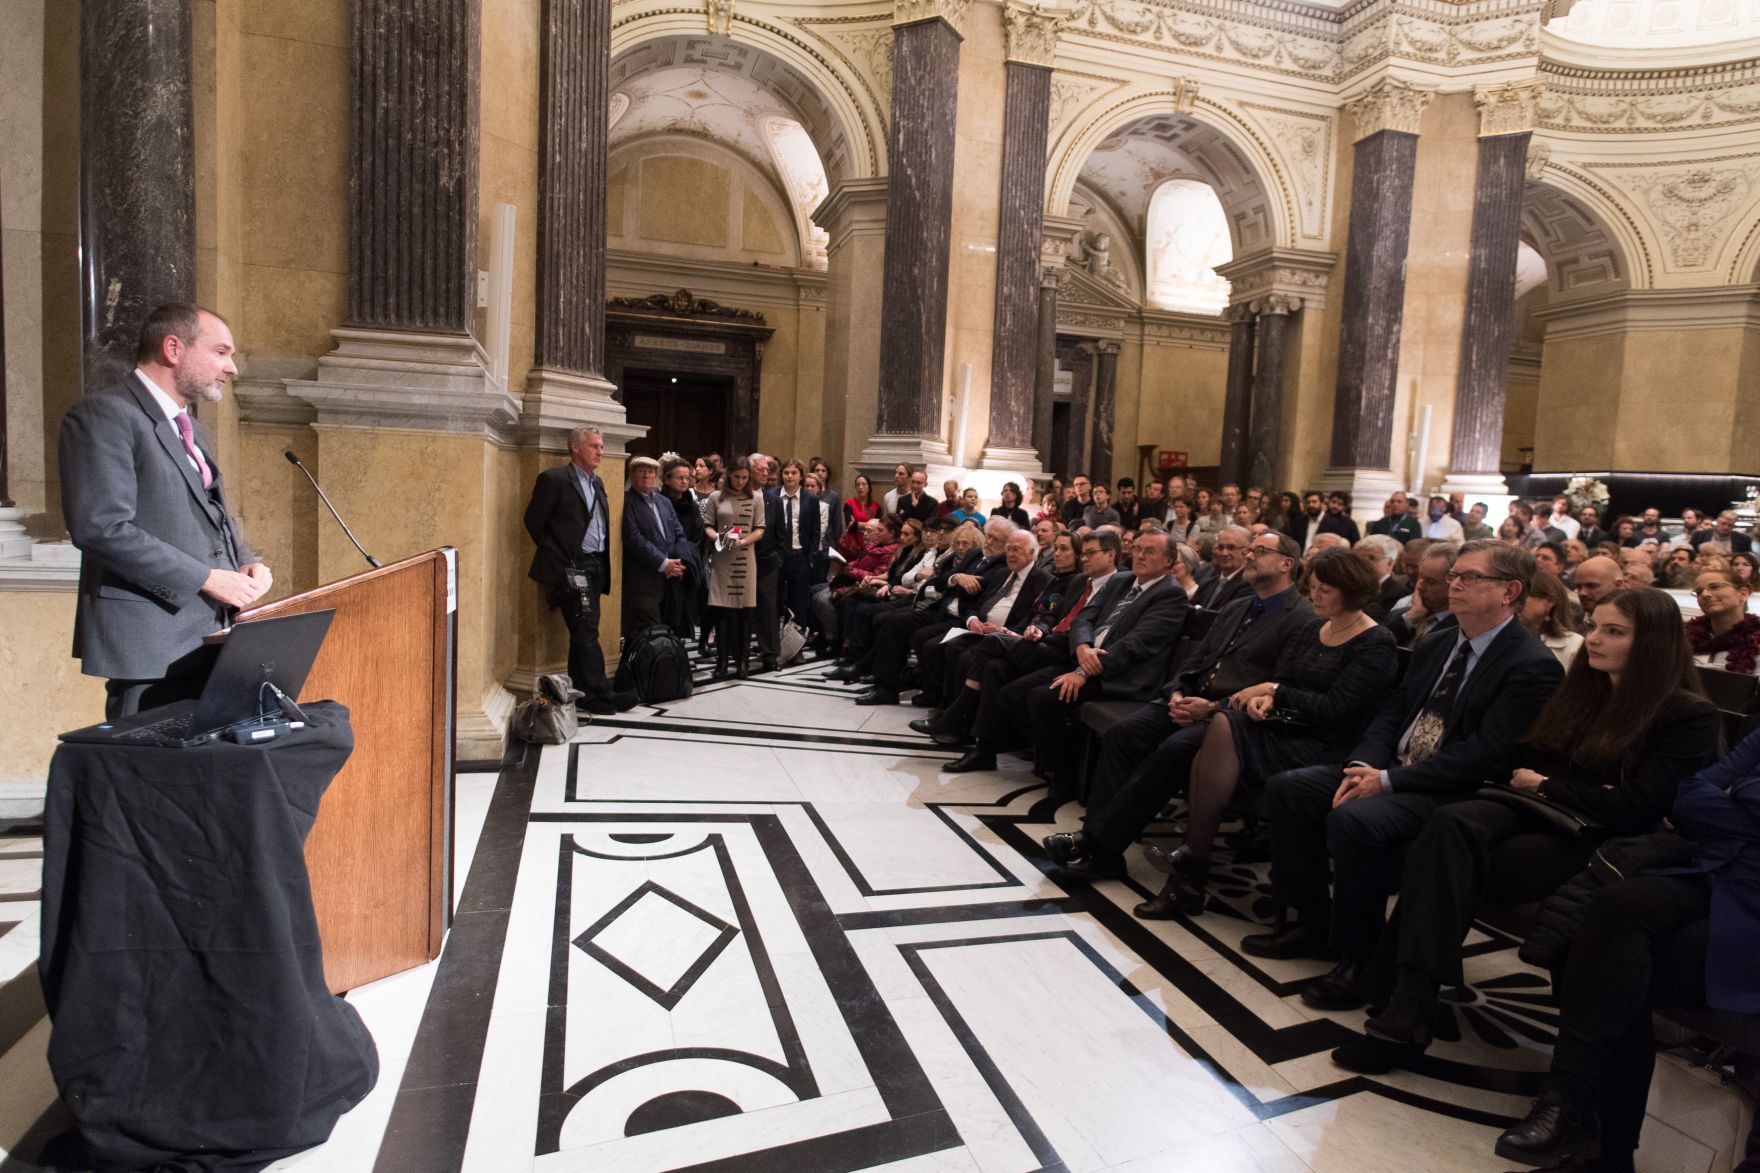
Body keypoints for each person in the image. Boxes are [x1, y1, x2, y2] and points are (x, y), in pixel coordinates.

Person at [1333, 587, 1719, 1076]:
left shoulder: (1687, 715)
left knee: (1452, 861)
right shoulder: (1586, 690)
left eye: (1614, 631)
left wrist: (1553, 784)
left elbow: (1636, 807)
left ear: (1653, 643)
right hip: (1537, 808)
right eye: (1594, 626)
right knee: (1449, 823)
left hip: (1597, 838)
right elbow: (1530, 760)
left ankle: (1404, 1008)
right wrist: (1572, 785)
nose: (1594, 639)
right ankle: (1410, 1004)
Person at [1245, 540, 1564, 1013]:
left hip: (1454, 788)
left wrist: (1386, 782)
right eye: (1454, 575)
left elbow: (1487, 754)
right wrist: (1363, 765)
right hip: (1392, 766)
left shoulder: (1531, 664)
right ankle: (1313, 923)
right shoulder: (1438, 640)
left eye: (1471, 577)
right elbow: (1393, 712)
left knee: (1355, 819)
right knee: (1290, 788)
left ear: (1510, 591)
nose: (1455, 584)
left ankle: (1362, 958)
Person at [1494, 727, 1760, 1173]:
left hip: (1750, 912)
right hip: (1712, 870)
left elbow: (1706, 804)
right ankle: (1568, 1103)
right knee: (1616, 907)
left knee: (1617, 968)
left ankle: (1602, 1148)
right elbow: (1689, 796)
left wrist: (1732, 802)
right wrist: (1739, 811)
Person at [1136, 548, 1399, 917]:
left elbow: (1337, 708)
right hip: (1288, 727)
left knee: (1217, 735)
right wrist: (1266, 701)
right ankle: (1192, 865)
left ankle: (1191, 869)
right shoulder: (1312, 628)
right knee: (1225, 722)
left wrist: (1275, 693)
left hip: (1327, 744)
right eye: (1313, 587)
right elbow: (1285, 679)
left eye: (1324, 590)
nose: (1314, 596)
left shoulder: (1375, 641)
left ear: (1351, 592)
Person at [1043, 531, 1313, 876]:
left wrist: (1213, 708)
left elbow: (1276, 688)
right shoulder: (1237, 607)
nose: (1248, 556)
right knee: (1124, 734)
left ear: (1286, 564)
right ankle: (1098, 841)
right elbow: (1196, 660)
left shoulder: (1302, 617)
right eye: (1250, 549)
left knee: (1174, 749)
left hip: (1231, 719)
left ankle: (1098, 846)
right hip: (1187, 700)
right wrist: (1176, 692)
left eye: (1259, 551)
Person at [60, 303, 272, 718]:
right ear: (173, 348)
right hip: (152, 647)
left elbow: (210, 515)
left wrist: (245, 564)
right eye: (221, 352)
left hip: (212, 639)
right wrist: (206, 578)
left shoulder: (191, 428)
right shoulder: (105, 415)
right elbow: (100, 527)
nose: (231, 368)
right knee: (147, 759)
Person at [947, 530, 1186, 790]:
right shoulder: (1122, 580)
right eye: (1138, 548)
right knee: (1011, 694)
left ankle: (1065, 775)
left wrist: (1083, 671)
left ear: (1169, 561)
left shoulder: (1171, 595)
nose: (1139, 555)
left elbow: (1135, 645)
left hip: (1119, 675)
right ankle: (1061, 758)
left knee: (1041, 698)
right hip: (1083, 657)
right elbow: (1084, 618)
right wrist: (1082, 646)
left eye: (1150, 551)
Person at [524, 424, 635, 714]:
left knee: (584, 630)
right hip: (572, 567)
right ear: (576, 447)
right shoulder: (555, 479)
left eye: (601, 446)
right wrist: (559, 555)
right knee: (586, 631)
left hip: (596, 564)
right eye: (594, 446)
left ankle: (583, 693)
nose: (600, 451)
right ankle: (602, 692)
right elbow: (534, 521)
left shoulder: (597, 482)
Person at [703, 456, 768, 676]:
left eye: (744, 477)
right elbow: (708, 526)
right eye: (737, 477)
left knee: (745, 614)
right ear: (728, 474)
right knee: (722, 613)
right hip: (722, 559)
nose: (741, 481)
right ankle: (722, 662)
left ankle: (743, 663)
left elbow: (760, 529)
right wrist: (718, 538)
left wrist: (743, 541)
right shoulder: (715, 497)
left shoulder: (756, 498)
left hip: (745, 558)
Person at [621, 456, 697, 637]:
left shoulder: (664, 501)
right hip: (643, 582)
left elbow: (679, 532)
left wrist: (678, 561)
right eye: (641, 471)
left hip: (669, 580)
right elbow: (634, 538)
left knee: (668, 631)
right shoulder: (626, 501)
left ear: (656, 476)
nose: (646, 476)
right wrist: (663, 563)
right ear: (632, 475)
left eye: (650, 472)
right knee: (651, 633)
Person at [766, 459, 823, 659]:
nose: (789, 476)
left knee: (798, 604)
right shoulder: (772, 495)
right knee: (774, 603)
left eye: (794, 473)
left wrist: (811, 556)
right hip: (777, 557)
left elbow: (816, 531)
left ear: (801, 476)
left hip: (800, 557)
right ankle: (772, 646)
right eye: (786, 473)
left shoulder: (811, 499)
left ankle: (796, 648)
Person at [660, 456, 705, 640]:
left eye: (688, 478)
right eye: (680, 477)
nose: (684, 481)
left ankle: (677, 647)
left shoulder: (692, 506)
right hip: (666, 564)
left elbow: (698, 535)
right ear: (667, 479)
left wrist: (688, 558)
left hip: (687, 564)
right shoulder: (660, 502)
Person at [1380, 542, 1458, 645]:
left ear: (1453, 584)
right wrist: (1411, 617)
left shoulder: (1462, 627)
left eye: (1430, 581)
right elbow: (1377, 645)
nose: (1420, 587)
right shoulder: (1401, 615)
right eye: (1420, 577)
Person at [1687, 566, 1760, 673]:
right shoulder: (1687, 639)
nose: (1705, 594)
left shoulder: (1756, 642)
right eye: (1699, 592)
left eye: (1715, 587)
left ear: (1743, 594)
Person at [1522, 569, 1583, 667]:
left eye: (1522, 597)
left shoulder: (1575, 645)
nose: (1513, 603)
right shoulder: (1507, 638)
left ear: (1550, 601)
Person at [1354, 535, 1409, 621]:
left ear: (1390, 563)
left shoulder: (1398, 593)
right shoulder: (1351, 584)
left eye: (1371, 558)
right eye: (1360, 557)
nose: (1363, 562)